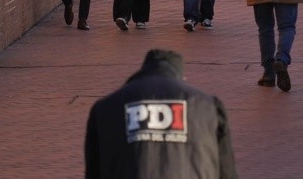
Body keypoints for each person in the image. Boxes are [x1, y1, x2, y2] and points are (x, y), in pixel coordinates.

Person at [85, 49, 238, 179]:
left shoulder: (107, 107)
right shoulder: (207, 106)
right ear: (181, 78)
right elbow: (227, 172)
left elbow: (93, 171)